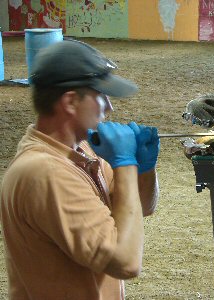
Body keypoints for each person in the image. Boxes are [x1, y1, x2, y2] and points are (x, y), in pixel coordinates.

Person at [0, 39, 160, 300]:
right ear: (71, 102)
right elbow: (126, 262)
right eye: (101, 96)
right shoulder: (47, 172)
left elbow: (141, 207)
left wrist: (143, 168)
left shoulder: (82, 149)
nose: (110, 107)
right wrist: (126, 163)